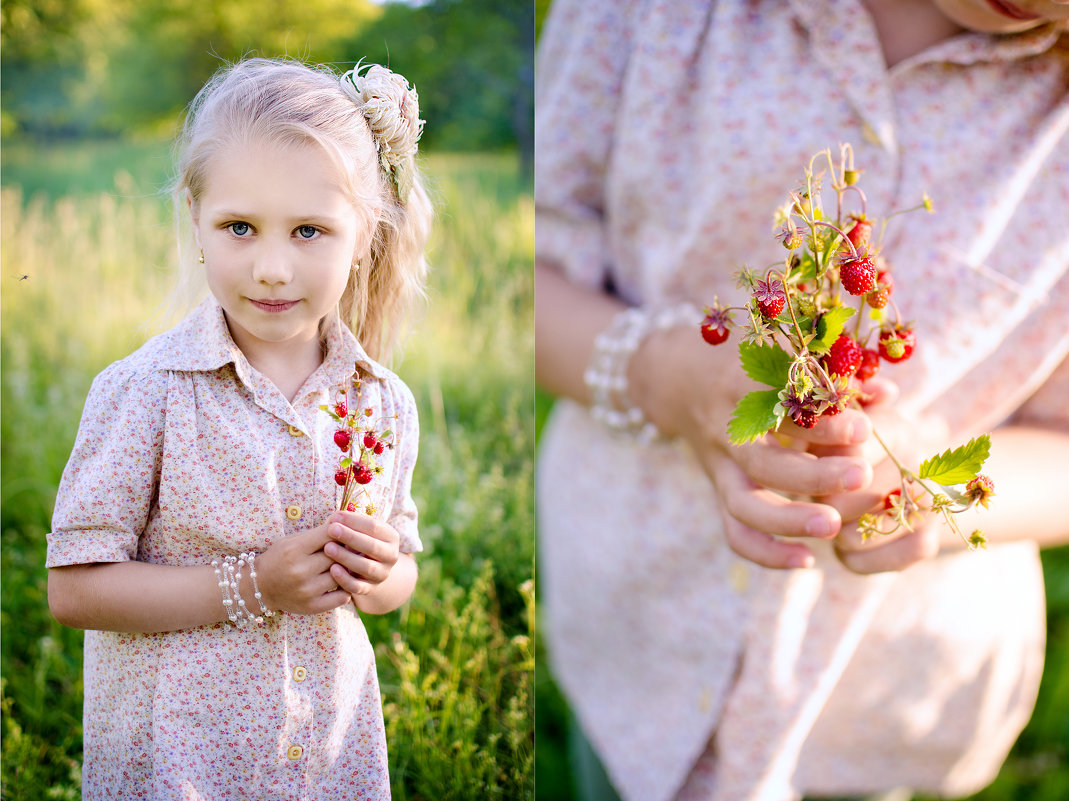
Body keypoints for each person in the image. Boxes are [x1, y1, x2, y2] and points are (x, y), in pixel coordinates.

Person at [535, 1, 1069, 800]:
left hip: (883, 698)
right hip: (638, 637)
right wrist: (660, 376)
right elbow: (531, 283)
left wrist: (928, 485)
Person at [46, 57, 432, 799]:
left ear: (364, 234)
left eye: (310, 230)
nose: (273, 267)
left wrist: (380, 574)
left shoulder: (382, 401)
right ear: (196, 218)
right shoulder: (145, 392)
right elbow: (75, 590)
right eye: (240, 227)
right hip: (180, 760)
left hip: (323, 751)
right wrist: (254, 584)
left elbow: (400, 573)